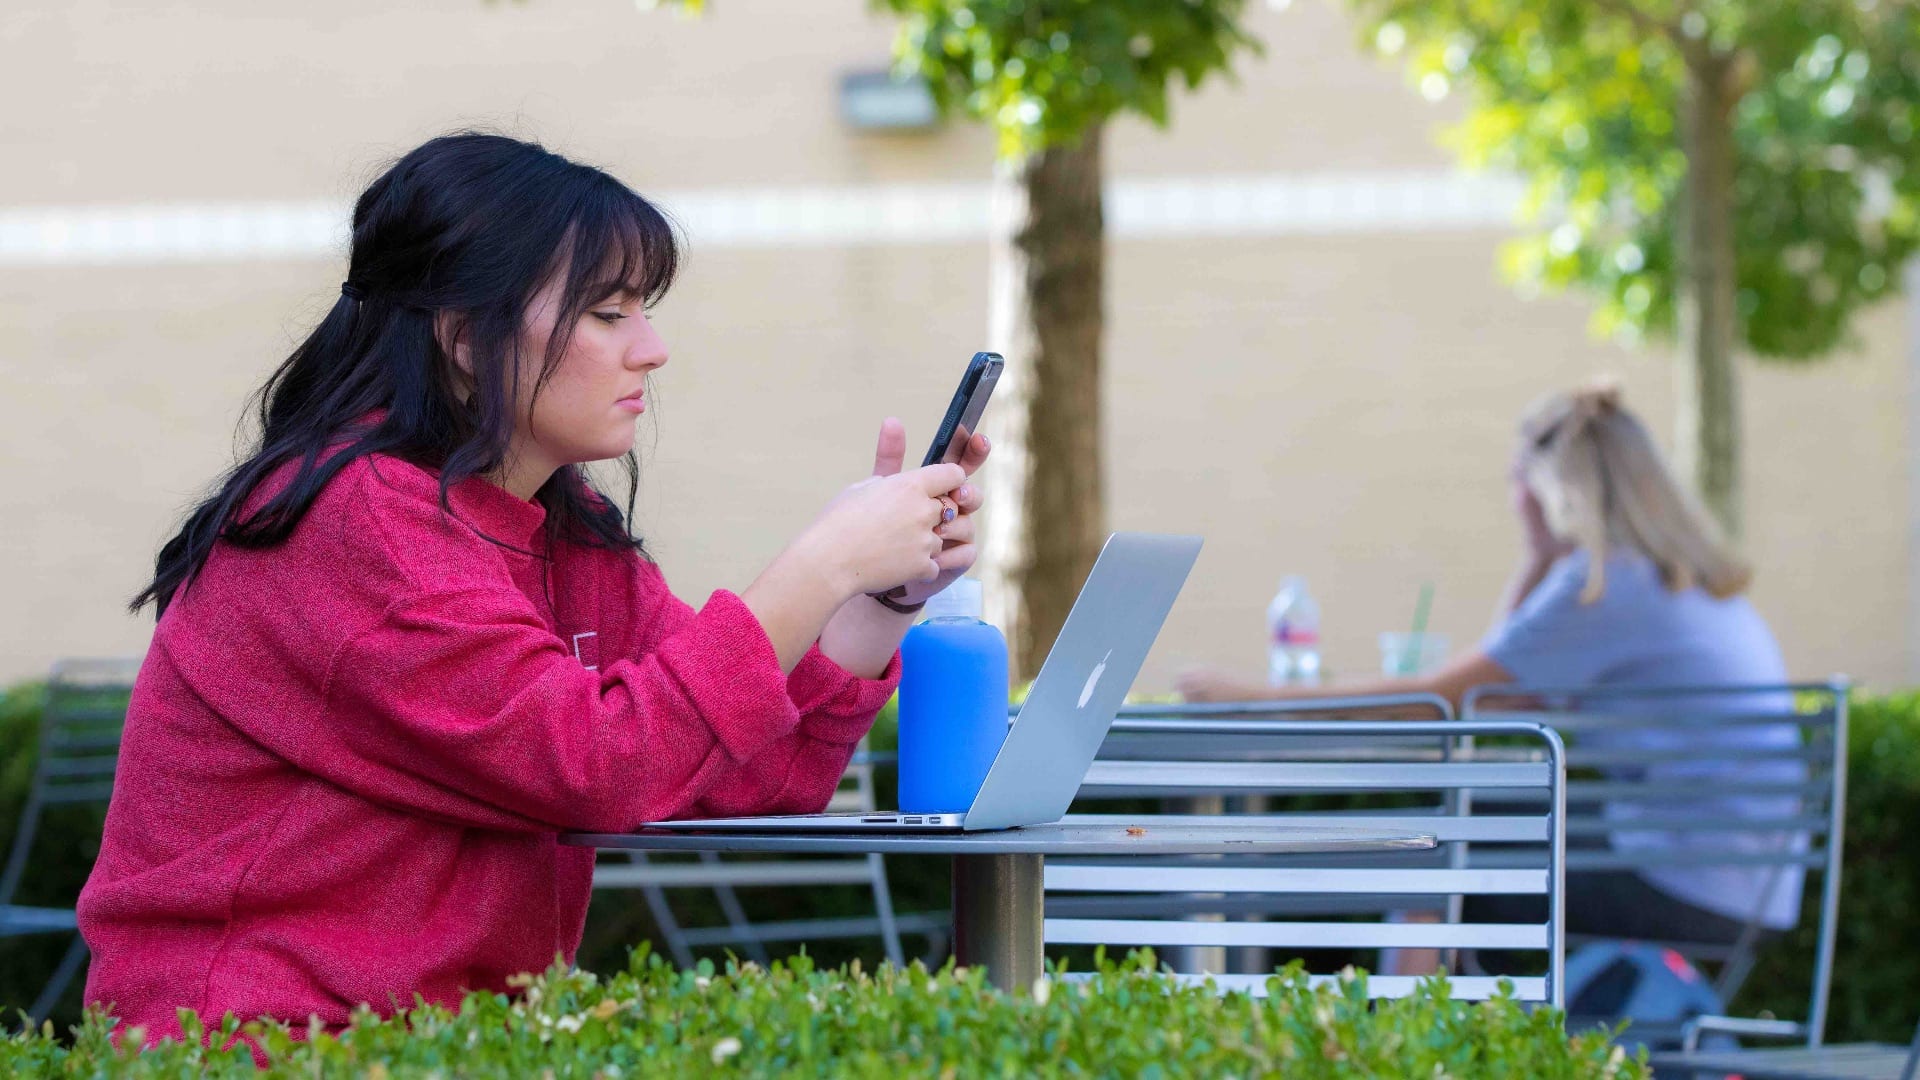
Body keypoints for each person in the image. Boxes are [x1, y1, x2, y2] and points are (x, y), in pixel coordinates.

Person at [77, 132, 987, 1045]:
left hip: (450, 1046)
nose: (653, 349)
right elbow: (600, 763)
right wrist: (822, 562)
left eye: (646, 310)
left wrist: (877, 598)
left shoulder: (560, 531)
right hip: (255, 1046)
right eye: (609, 312)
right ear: (468, 335)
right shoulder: (355, 527)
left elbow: (746, 772)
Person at [1177, 380, 1804, 961]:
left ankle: (1399, 1062)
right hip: (1743, 891)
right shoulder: (1676, 581)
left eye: (1518, 480)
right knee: (1457, 860)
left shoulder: (1602, 584)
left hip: (1685, 889)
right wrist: (1538, 558)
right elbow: (1493, 699)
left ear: (1546, 489)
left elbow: (1437, 704)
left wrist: (1249, 697)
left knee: (1429, 873)